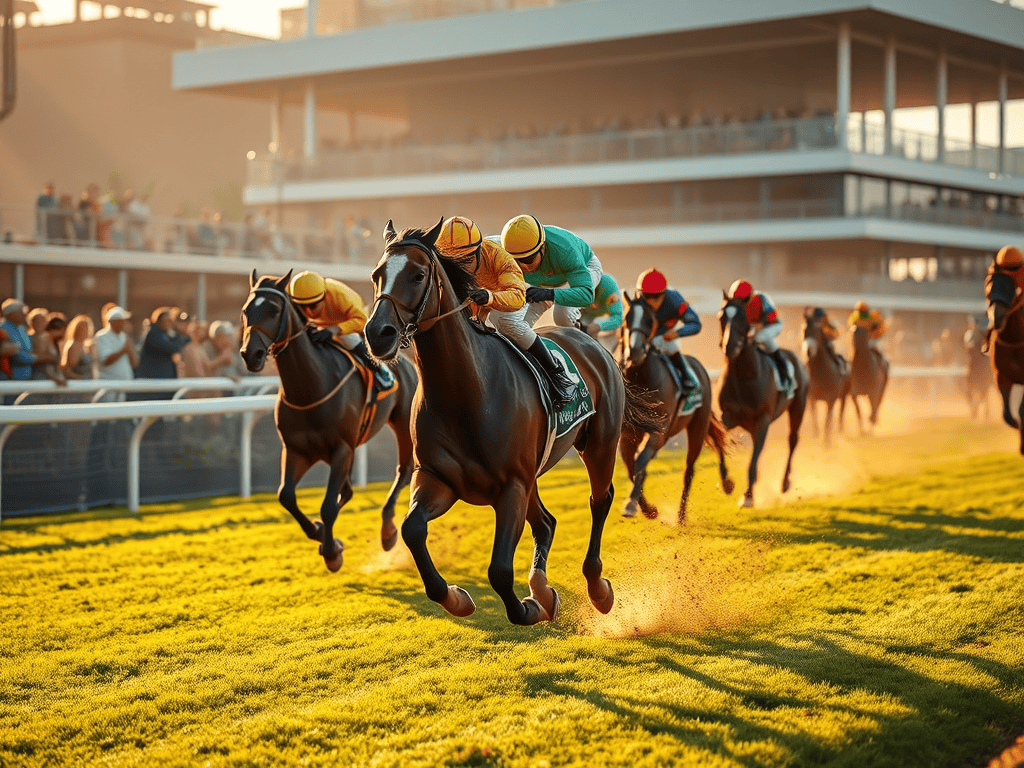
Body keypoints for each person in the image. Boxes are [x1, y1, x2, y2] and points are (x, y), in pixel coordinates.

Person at [434, 216, 573, 407]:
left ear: (478, 250)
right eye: (454, 263)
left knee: (506, 322)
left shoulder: (498, 256)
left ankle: (557, 376)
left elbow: (516, 297)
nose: (460, 269)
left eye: (465, 260)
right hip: (490, 291)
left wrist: (490, 298)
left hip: (527, 285)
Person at [499, 214, 603, 335]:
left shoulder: (565, 250)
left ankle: (585, 335)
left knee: (562, 315)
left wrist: (548, 294)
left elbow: (586, 296)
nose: (524, 267)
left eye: (529, 260)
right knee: (517, 327)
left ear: (543, 247)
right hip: (546, 281)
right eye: (517, 261)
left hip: (584, 268)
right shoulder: (500, 253)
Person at [287, 270, 392, 386]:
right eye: (302, 306)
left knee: (349, 339)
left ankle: (380, 370)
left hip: (346, 321)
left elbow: (363, 321)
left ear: (324, 295)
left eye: (312, 306)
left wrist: (334, 329)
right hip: (321, 325)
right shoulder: (299, 296)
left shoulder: (340, 296)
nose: (308, 312)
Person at [636, 269, 701, 393]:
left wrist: (678, 333)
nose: (651, 301)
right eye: (646, 296)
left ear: (664, 294)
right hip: (641, 336)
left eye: (656, 297)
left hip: (662, 337)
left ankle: (686, 378)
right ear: (641, 294)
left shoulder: (675, 300)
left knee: (670, 346)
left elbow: (695, 323)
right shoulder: (636, 302)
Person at [727, 279, 789, 386]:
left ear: (748, 297)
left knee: (759, 337)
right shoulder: (738, 305)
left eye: (740, 300)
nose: (738, 303)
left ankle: (783, 367)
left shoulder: (761, 298)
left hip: (772, 325)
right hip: (754, 328)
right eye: (736, 300)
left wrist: (755, 328)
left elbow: (772, 317)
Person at [133, 307, 191, 397]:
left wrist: (179, 330)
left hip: (162, 382)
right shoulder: (152, 333)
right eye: (167, 320)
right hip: (153, 383)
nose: (169, 323)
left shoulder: (165, 333)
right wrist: (178, 329)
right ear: (158, 320)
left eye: (170, 320)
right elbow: (174, 348)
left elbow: (187, 340)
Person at [92, 306, 138, 400]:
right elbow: (105, 361)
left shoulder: (125, 337)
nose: (123, 323)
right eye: (121, 320)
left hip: (123, 386)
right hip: (107, 385)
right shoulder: (101, 337)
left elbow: (135, 363)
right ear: (112, 322)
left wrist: (130, 350)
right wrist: (124, 350)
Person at [1, 299, 39, 382]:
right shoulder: (3, 330)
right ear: (11, 314)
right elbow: (17, 356)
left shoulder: (22, 329)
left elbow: (29, 350)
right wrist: (38, 358)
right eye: (21, 311)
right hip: (9, 380)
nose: (25, 314)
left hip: (26, 379)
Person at [579, 272, 624, 339]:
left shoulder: (608, 285)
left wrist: (598, 326)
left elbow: (618, 318)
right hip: (586, 318)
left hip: (604, 324)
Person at [61, 315, 95, 380]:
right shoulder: (74, 346)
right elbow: (67, 370)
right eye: (84, 328)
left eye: (87, 327)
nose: (87, 330)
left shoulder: (86, 346)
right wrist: (80, 379)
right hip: (79, 385)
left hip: (89, 384)